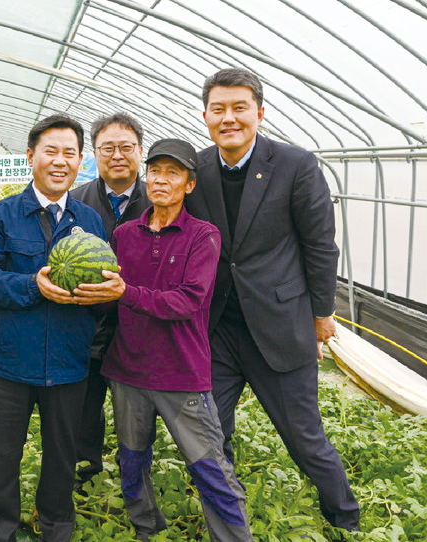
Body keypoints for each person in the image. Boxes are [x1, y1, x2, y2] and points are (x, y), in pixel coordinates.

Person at [185, 67, 360, 530]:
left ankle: (346, 519)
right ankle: (227, 516)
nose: (229, 118)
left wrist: (323, 312)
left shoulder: (296, 164)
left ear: (259, 113)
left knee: (304, 437)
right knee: (208, 435)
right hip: (218, 329)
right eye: (218, 109)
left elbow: (320, 244)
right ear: (205, 115)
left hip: (280, 325)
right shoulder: (197, 170)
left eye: (239, 107)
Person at [77, 138, 254, 541]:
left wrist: (126, 293)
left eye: (172, 173)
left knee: (209, 464)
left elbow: (188, 301)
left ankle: (233, 537)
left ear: (189, 185)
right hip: (127, 370)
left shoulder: (202, 236)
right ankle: (146, 527)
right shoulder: (123, 235)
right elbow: (107, 295)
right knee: (131, 459)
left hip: (180, 373)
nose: (161, 180)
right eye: (155, 171)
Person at [0, 114, 108, 542]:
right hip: (9, 363)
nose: (60, 161)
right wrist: (34, 285)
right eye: (51, 151)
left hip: (69, 362)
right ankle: (0, 529)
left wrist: (108, 292)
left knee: (62, 456)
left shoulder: (90, 220)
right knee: (3, 455)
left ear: (80, 160)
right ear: (31, 156)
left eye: (70, 153)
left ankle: (56, 525)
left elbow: (103, 279)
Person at [68, 112, 151, 487]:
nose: (117, 155)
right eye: (107, 148)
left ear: (140, 151)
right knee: (85, 409)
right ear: (94, 155)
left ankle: (136, 479)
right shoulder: (75, 201)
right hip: (86, 328)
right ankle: (87, 474)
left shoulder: (162, 198)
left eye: (126, 147)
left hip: (142, 328)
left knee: (137, 415)